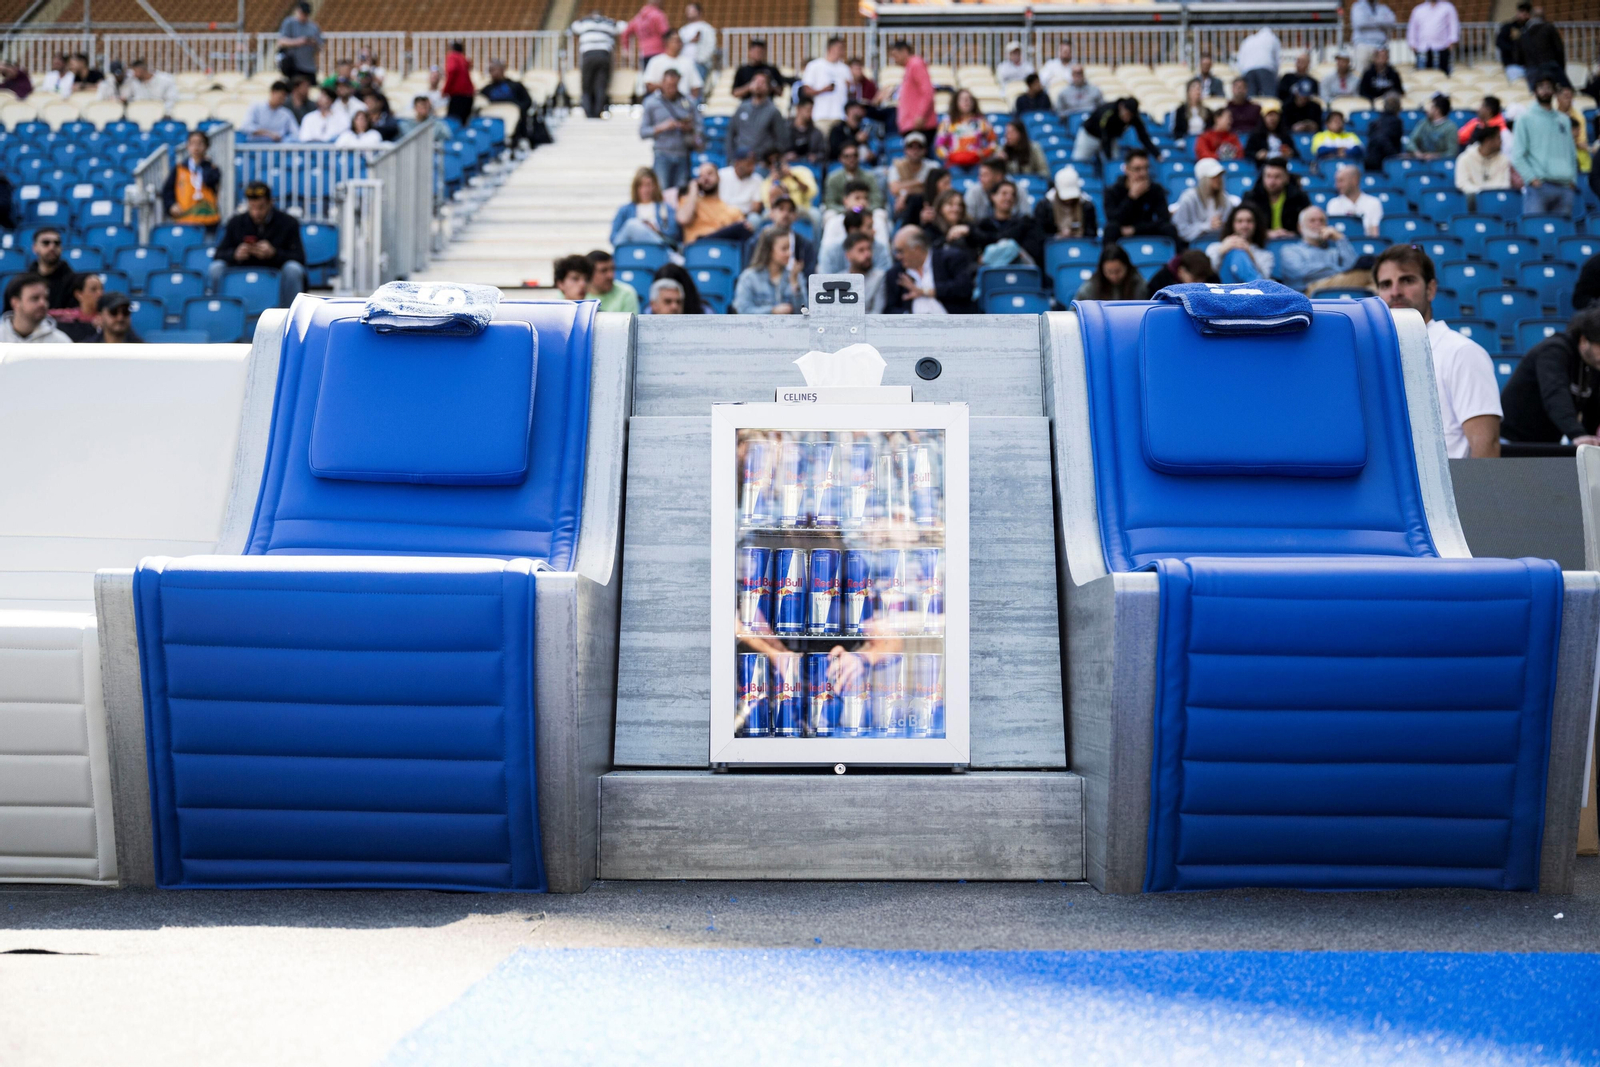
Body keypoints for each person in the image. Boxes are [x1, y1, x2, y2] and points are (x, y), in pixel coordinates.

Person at [1373, 245, 1500, 458]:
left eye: (1407, 280)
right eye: (1386, 284)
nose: (1395, 292)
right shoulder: (1372, 355)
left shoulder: (1462, 353)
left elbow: (1486, 450)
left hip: (1451, 489)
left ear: (1431, 289)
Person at [1500, 308, 1600, 446]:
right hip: (1512, 440)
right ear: (1583, 340)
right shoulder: (1554, 351)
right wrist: (1577, 434)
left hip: (1546, 443)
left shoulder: (1594, 362)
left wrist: (1589, 439)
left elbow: (1593, 407)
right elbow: (1555, 393)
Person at [211, 181, 306, 308]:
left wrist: (274, 253)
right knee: (216, 268)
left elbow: (300, 257)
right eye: (252, 208)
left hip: (274, 270)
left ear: (270, 203)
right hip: (242, 269)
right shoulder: (236, 222)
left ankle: (290, 316)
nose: (256, 213)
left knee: (293, 269)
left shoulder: (288, 223)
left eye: (261, 207)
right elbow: (218, 254)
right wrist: (235, 254)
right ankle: (221, 311)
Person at [1512, 75, 1580, 218]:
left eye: (1548, 87)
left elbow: (1571, 153)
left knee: (1562, 236)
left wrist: (1572, 180)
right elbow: (1517, 155)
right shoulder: (1524, 119)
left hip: (1565, 187)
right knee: (1537, 233)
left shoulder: (1564, 120)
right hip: (1539, 187)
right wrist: (1531, 179)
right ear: (1535, 91)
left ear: (1554, 92)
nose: (1545, 91)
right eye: (1541, 87)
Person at [884, 226, 978, 315]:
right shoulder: (895, 274)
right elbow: (890, 309)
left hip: (953, 325)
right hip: (913, 329)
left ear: (917, 249)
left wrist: (926, 291)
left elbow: (964, 288)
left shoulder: (949, 259)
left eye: (901, 251)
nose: (898, 256)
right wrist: (909, 318)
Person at [1279, 206, 1363, 293]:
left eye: (1321, 220)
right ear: (1300, 227)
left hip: (1336, 290)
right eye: (1312, 220)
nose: (1318, 224)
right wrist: (1340, 271)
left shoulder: (1333, 251)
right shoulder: (1290, 250)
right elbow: (1301, 273)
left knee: (1366, 279)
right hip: (1305, 294)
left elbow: (1352, 266)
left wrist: (1340, 239)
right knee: (1364, 277)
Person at [641, 69, 700, 191]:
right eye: (668, 85)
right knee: (662, 192)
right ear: (662, 83)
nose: (671, 89)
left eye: (674, 85)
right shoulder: (651, 103)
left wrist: (688, 127)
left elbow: (699, 126)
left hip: (683, 154)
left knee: (681, 194)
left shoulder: (688, 102)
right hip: (662, 154)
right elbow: (643, 132)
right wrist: (662, 127)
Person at [1101, 150, 1176, 246]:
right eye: (1137, 169)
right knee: (1111, 229)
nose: (1143, 173)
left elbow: (1164, 219)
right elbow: (1113, 219)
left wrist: (1135, 229)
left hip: (1147, 230)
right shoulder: (1113, 191)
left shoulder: (1155, 189)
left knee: (1169, 228)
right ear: (1127, 169)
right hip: (1123, 232)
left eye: (1146, 168)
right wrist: (1131, 197)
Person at [733, 228, 805, 315]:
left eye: (790, 248)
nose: (789, 253)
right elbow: (743, 311)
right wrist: (772, 311)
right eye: (784, 249)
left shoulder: (796, 276)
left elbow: (804, 312)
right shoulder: (749, 277)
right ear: (769, 250)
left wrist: (794, 284)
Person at [974, 179, 1046, 266]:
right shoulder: (983, 225)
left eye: (1013, 195)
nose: (1009, 198)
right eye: (1004, 193)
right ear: (993, 196)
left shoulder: (1026, 224)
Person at [160, 130, 221, 229]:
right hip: (185, 220)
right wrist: (171, 205)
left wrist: (203, 165)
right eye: (192, 143)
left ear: (206, 147)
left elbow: (210, 181)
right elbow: (167, 190)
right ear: (188, 146)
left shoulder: (213, 169)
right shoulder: (179, 169)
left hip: (209, 221)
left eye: (200, 143)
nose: (196, 147)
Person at [678, 161, 749, 245]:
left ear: (718, 177)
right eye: (701, 176)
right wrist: (693, 189)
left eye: (709, 173)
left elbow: (744, 229)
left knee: (743, 228)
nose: (705, 178)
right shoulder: (690, 202)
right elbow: (683, 219)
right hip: (696, 246)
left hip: (721, 249)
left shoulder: (731, 210)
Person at [1172, 157, 1237, 246]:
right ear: (1204, 179)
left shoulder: (1226, 200)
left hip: (1220, 244)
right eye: (1214, 177)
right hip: (1194, 246)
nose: (1218, 179)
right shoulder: (1188, 198)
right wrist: (1206, 226)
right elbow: (1180, 230)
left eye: (1220, 176)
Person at [613, 167, 683, 246]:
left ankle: (661, 245)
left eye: (648, 185)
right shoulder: (625, 210)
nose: (645, 190)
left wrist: (656, 231)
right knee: (631, 224)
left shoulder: (666, 208)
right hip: (632, 247)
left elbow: (674, 234)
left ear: (654, 186)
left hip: (655, 245)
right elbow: (614, 238)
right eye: (641, 186)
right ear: (636, 188)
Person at [1074, 97, 1156, 164]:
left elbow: (1143, 136)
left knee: (1114, 163)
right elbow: (1105, 137)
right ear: (1121, 107)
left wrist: (1156, 154)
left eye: (1130, 115)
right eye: (1126, 113)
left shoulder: (1134, 117)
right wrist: (1108, 156)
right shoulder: (1108, 112)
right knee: (1079, 161)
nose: (1127, 118)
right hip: (1090, 136)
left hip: (1111, 138)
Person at [571, 11, 621, 119]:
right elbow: (622, 26)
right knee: (601, 86)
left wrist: (584, 17)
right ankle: (598, 112)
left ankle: (589, 113)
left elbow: (574, 26)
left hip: (589, 55)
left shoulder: (585, 23)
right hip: (603, 55)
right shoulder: (607, 23)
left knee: (586, 86)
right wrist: (610, 20)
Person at [1245, 158, 1311, 240]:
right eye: (1268, 176)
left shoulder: (1299, 197)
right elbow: (1243, 225)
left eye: (1277, 177)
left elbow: (1309, 223)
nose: (1271, 181)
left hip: (1293, 242)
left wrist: (1294, 234)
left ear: (1286, 178)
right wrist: (1265, 233)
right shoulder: (1251, 197)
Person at [1206, 203, 1274, 282]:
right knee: (1235, 251)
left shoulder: (1266, 255)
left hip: (1248, 290)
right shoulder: (1215, 247)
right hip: (1224, 290)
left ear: (1256, 224)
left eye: (1249, 221)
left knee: (1238, 252)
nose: (1244, 225)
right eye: (1239, 221)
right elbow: (1207, 273)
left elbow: (1266, 278)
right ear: (1232, 224)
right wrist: (1221, 251)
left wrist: (1249, 254)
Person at [0, 275, 71, 343]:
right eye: (35, 298)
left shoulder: (60, 342)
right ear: (15, 302)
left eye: (46, 298)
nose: (43, 303)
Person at [802, 37, 852, 133]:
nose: (842, 51)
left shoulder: (845, 69)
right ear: (830, 48)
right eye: (839, 48)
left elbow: (850, 92)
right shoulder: (815, 66)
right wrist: (823, 90)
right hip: (821, 115)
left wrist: (849, 87)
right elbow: (806, 90)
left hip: (840, 115)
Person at [1034, 167, 1098, 242]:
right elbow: (1040, 234)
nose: (1069, 200)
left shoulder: (1087, 206)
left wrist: (1080, 235)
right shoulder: (1044, 206)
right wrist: (1057, 236)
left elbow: (1092, 233)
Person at [1455, 126, 1513, 209]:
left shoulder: (1504, 159)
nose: (1501, 142)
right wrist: (1482, 194)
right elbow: (1462, 184)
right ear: (1488, 141)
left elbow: (1505, 184)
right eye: (1498, 138)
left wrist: (1488, 195)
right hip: (1474, 198)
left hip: (1497, 199)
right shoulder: (1464, 158)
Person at [935, 89, 996, 167]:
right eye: (962, 99)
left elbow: (993, 142)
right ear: (956, 102)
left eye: (969, 99)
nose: (966, 101)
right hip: (954, 165)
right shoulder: (947, 123)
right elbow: (939, 146)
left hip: (977, 164)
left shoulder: (982, 122)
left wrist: (984, 153)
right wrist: (949, 155)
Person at [889, 39, 937, 138]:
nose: (895, 59)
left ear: (904, 51)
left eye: (895, 55)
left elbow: (927, 92)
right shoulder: (910, 67)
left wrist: (921, 115)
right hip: (912, 124)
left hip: (919, 124)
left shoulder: (916, 64)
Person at [480, 60, 535, 145]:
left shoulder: (516, 86)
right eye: (490, 70)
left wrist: (517, 110)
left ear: (502, 70)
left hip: (513, 122)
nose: (492, 73)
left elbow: (527, 101)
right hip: (494, 121)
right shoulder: (486, 89)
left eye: (494, 70)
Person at [964, 158, 1032, 223]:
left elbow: (1026, 218)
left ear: (998, 176)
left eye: (985, 175)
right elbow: (968, 220)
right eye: (980, 175)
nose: (980, 179)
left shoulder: (1018, 190)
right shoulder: (974, 192)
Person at [642, 31, 702, 100]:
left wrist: (691, 103)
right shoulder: (655, 61)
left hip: (682, 104)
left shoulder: (688, 62)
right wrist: (668, 86)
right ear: (666, 42)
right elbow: (649, 85)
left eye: (680, 41)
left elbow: (696, 86)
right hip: (661, 103)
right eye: (676, 41)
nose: (679, 44)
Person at [1326, 163, 1383, 237]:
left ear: (1354, 180)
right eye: (1336, 181)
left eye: (1341, 181)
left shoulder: (1374, 203)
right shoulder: (1333, 204)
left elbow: (1375, 233)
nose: (1337, 185)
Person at [25, 228, 76, 309]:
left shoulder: (73, 281)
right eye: (46, 243)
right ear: (35, 248)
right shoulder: (25, 281)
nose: (52, 247)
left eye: (57, 243)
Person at [1406, 0, 1460, 77]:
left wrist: (1452, 41)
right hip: (1423, 48)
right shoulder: (1418, 9)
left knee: (1442, 75)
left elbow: (1453, 25)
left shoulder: (1447, 7)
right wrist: (1412, 43)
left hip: (1442, 47)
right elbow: (1413, 28)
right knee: (1423, 75)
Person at [1076, 244, 1148, 300]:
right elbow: (1075, 313)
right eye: (1109, 272)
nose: (1114, 276)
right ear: (1102, 270)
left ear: (1127, 267)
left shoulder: (1139, 285)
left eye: (1118, 271)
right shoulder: (1091, 287)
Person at [824, 147, 884, 213]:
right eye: (847, 156)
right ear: (841, 158)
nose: (851, 159)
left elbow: (877, 201)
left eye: (854, 155)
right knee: (829, 214)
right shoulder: (833, 178)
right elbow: (829, 203)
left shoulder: (870, 176)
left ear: (859, 157)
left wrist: (860, 210)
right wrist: (849, 210)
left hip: (867, 211)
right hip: (843, 211)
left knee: (880, 213)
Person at [888, 132, 936, 214]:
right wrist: (919, 182)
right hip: (903, 207)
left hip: (928, 205)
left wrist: (905, 192)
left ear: (925, 150)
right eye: (911, 147)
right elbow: (894, 189)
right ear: (905, 150)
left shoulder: (933, 166)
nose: (915, 151)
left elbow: (934, 189)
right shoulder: (897, 165)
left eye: (919, 147)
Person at [1519, 11, 1566, 92]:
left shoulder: (1524, 32)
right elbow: (1559, 49)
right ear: (1544, 18)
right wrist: (1561, 67)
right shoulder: (1549, 27)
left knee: (1535, 94)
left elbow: (1520, 54)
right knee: (1563, 90)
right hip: (1550, 65)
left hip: (1532, 69)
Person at [928, 191, 984, 259]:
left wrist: (969, 231)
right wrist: (947, 239)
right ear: (940, 208)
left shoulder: (969, 225)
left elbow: (989, 238)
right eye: (950, 204)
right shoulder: (932, 228)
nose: (956, 209)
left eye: (959, 205)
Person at [762, 151, 819, 218]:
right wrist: (774, 182)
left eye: (778, 160)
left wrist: (793, 176)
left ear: (783, 159)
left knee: (815, 214)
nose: (775, 165)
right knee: (765, 215)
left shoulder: (801, 171)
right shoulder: (767, 182)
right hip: (779, 212)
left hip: (801, 208)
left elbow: (811, 193)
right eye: (771, 163)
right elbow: (768, 206)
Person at [842, 231, 887, 314]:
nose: (867, 254)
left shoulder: (879, 277)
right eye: (861, 250)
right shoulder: (839, 279)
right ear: (848, 255)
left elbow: (877, 312)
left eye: (869, 249)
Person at [1348, 0, 1398, 74]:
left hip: (1380, 47)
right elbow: (1360, 22)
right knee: (1363, 75)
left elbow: (1392, 22)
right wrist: (1380, 22)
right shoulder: (1358, 7)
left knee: (1381, 75)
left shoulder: (1382, 8)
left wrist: (1371, 19)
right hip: (1363, 46)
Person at [277, 2, 323, 80]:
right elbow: (282, 41)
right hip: (294, 65)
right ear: (297, 11)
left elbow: (320, 46)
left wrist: (313, 43)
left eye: (306, 14)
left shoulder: (313, 27)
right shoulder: (289, 23)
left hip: (309, 66)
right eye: (302, 13)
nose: (304, 16)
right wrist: (299, 41)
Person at [1406, 94, 1459, 159]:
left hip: (1440, 164)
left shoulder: (1451, 127)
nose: (1427, 110)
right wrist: (1417, 153)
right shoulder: (1424, 123)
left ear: (1437, 110)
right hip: (1422, 163)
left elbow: (1452, 152)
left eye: (1431, 107)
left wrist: (1435, 156)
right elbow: (1411, 141)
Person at [54, 272, 104, 342]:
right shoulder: (65, 317)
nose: (100, 294)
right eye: (93, 289)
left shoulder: (109, 319)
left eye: (101, 289)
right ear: (79, 294)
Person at [1364, 91, 1405, 173]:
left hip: (1370, 161)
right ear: (1399, 106)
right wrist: (1394, 155)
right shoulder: (1396, 121)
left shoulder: (1375, 122)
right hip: (1384, 163)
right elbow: (1382, 138)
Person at [1236, 26, 1281, 99]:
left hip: (1248, 69)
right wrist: (1275, 74)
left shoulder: (1248, 40)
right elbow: (1277, 58)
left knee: (1250, 98)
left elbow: (1240, 59)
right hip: (1266, 68)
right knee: (1270, 97)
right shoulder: (1273, 38)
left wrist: (1243, 73)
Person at [1148, 248, 1221, 293]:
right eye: (1195, 280)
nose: (1199, 284)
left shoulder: (1212, 278)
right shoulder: (1161, 281)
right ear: (1181, 271)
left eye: (1203, 280)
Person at [828, 99, 878, 164]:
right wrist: (856, 140)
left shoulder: (864, 128)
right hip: (840, 165)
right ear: (849, 110)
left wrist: (871, 156)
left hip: (862, 166)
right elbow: (834, 151)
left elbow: (873, 150)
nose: (863, 111)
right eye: (859, 108)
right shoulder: (838, 129)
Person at [622, 0, 670, 66]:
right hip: (659, 51)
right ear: (658, 3)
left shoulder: (638, 18)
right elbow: (666, 34)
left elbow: (626, 32)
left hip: (644, 53)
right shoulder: (658, 15)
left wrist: (626, 47)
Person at [785, 98, 828, 168]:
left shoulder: (816, 132)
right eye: (807, 110)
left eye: (811, 110)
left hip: (810, 166)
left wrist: (815, 157)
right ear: (798, 109)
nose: (810, 113)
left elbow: (824, 152)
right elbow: (777, 149)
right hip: (789, 166)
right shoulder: (786, 130)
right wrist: (786, 156)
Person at [679, 3, 716, 83]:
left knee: (698, 87)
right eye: (687, 10)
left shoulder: (707, 28)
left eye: (691, 10)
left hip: (699, 63)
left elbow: (711, 46)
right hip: (684, 63)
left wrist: (702, 60)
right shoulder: (683, 29)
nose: (689, 12)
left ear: (699, 12)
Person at [440, 42, 474, 125]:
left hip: (458, 95)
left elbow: (452, 72)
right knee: (463, 123)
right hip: (468, 95)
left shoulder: (452, 56)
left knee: (452, 122)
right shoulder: (463, 58)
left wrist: (445, 90)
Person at [1498, 2, 1532, 84]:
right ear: (1518, 13)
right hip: (1512, 64)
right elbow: (1499, 42)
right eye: (1522, 12)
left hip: (1529, 65)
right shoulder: (1508, 27)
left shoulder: (1530, 29)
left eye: (1526, 13)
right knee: (1517, 85)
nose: (1524, 15)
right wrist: (1514, 50)